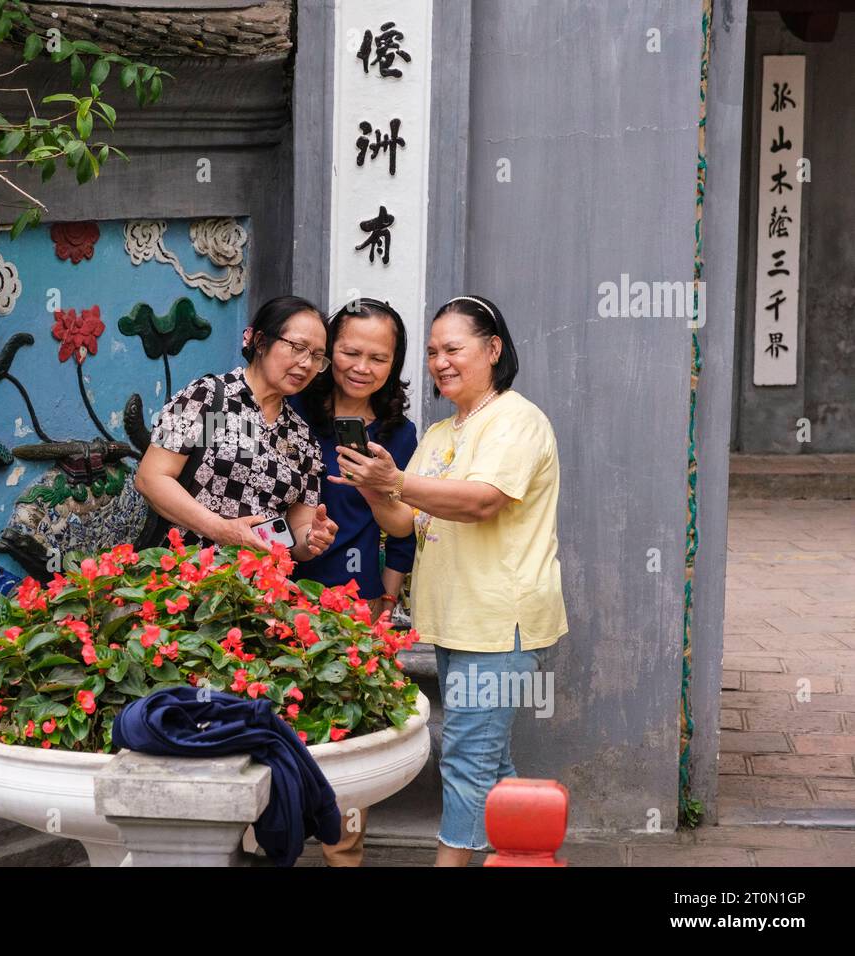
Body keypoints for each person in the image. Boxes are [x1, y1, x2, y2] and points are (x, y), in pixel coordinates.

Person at [329, 293, 568, 867]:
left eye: (453, 348)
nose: (440, 362)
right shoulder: (438, 434)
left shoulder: (517, 419)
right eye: (432, 352)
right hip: (456, 620)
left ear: (493, 349)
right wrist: (373, 485)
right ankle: (528, 857)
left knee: (466, 761)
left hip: (499, 621)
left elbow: (484, 501)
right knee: (490, 765)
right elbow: (403, 522)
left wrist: (398, 482)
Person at [288, 297, 418, 867]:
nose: (362, 366)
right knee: (281, 727)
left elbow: (404, 530)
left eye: (379, 357)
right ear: (327, 352)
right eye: (350, 352)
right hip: (279, 594)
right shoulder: (289, 412)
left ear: (395, 364)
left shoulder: (400, 432)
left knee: (347, 739)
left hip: (355, 604)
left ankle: (345, 855)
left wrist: (387, 599)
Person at [134, 295, 338, 559]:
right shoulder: (208, 398)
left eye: (317, 356)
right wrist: (221, 530)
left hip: (258, 589)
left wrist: (312, 538)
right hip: (186, 579)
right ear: (261, 342)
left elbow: (298, 533)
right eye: (298, 347)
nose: (307, 363)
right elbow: (150, 478)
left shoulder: (303, 440)